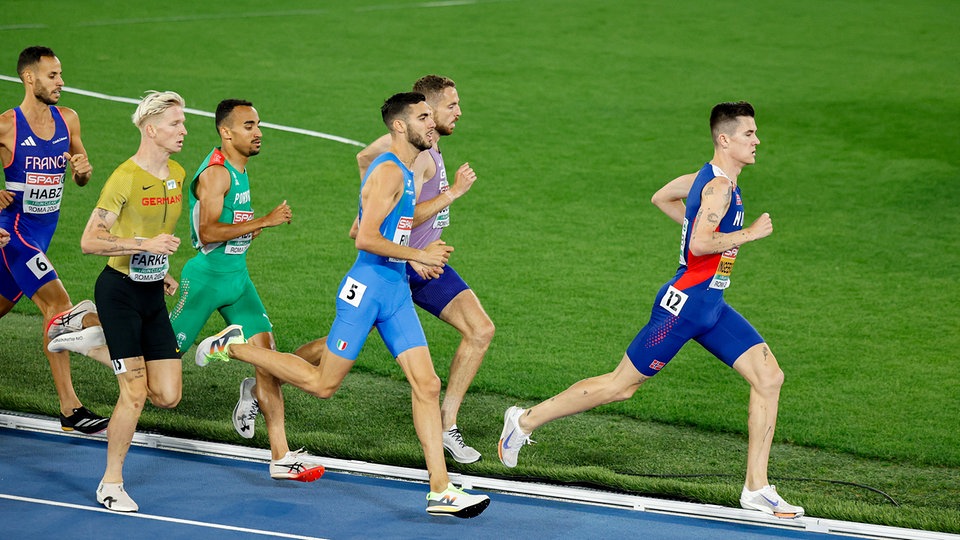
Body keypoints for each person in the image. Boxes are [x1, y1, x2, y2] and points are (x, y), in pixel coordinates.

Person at [496, 102, 805, 519]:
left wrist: (707, 230)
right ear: (724, 139)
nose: (757, 140)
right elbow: (698, 244)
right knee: (621, 386)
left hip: (711, 305)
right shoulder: (719, 188)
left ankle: (757, 488)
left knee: (769, 377)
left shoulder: (707, 179)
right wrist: (748, 234)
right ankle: (524, 420)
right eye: (749, 134)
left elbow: (663, 197)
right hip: (684, 305)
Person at [195, 92, 490, 519]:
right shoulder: (389, 171)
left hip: (393, 292)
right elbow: (364, 237)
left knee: (426, 385)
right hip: (368, 287)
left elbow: (366, 222)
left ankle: (440, 489)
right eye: (423, 117)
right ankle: (231, 347)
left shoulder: (406, 171)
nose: (432, 124)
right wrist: (419, 256)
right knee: (322, 385)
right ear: (399, 127)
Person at [297, 75, 492, 464]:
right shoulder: (412, 155)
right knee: (331, 356)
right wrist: (442, 199)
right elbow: (392, 193)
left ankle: (446, 425)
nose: (459, 112)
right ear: (427, 111)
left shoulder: (425, 146)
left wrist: (369, 211)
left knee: (480, 329)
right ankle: (264, 380)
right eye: (451, 105)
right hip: (405, 269)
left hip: (421, 263)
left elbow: (363, 159)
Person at [168, 99, 324, 482]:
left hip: (237, 280)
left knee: (267, 358)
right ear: (226, 132)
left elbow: (229, 226)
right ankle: (88, 326)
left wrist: (249, 228)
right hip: (205, 280)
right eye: (249, 126)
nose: (258, 133)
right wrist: (264, 221)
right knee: (157, 358)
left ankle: (281, 456)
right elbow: (205, 234)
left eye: (258, 125)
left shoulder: (239, 170)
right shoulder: (217, 175)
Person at [79, 91, 188, 512]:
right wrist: (146, 245)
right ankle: (110, 483)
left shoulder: (176, 173)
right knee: (135, 392)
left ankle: (87, 339)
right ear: (151, 129)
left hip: (150, 290)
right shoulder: (123, 177)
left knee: (167, 394)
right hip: (119, 292)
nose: (183, 130)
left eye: (182, 124)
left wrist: (160, 269)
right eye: (175, 123)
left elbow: (155, 238)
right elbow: (90, 241)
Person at [0, 46, 111, 435]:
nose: (61, 82)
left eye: (60, 74)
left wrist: (82, 170)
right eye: (52, 76)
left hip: (40, 237)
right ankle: (70, 409)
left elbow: (81, 176)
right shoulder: (7, 127)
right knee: (58, 308)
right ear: (29, 78)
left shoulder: (69, 120)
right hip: (13, 234)